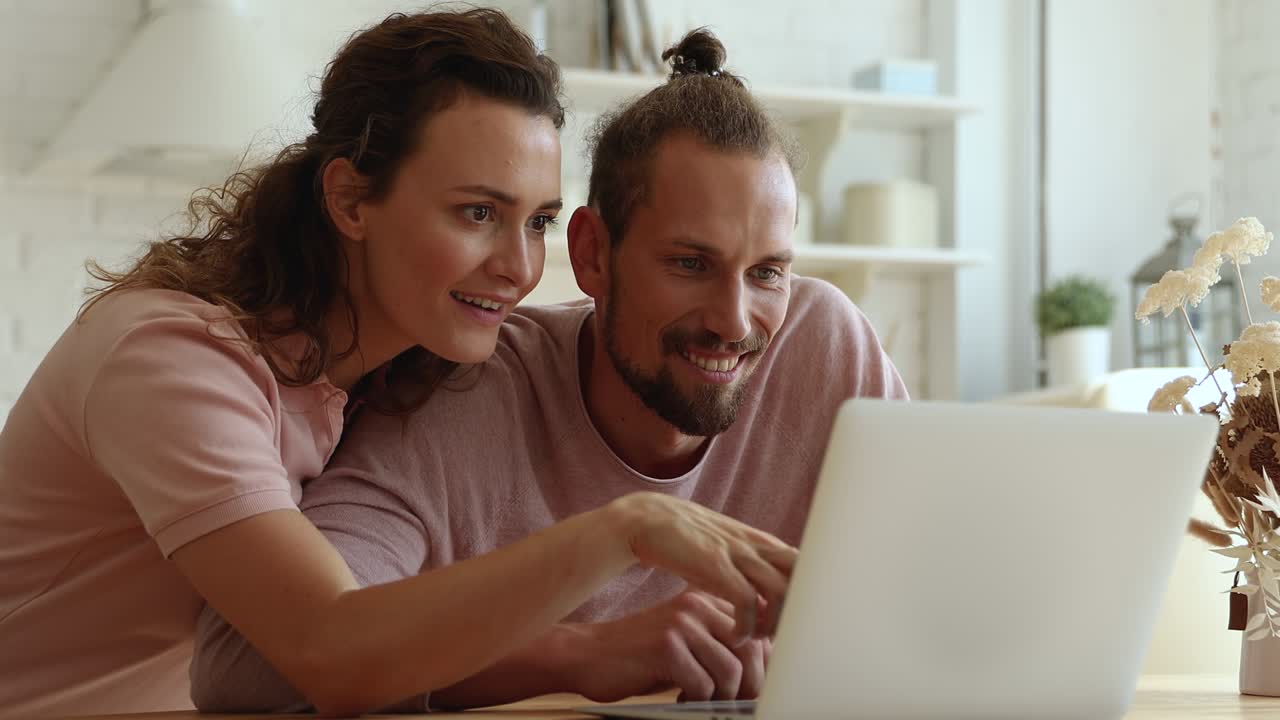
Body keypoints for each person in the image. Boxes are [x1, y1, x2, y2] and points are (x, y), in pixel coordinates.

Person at [0, 11, 796, 719]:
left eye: (537, 223)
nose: (518, 269)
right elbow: (328, 646)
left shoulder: (383, 373)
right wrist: (628, 531)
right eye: (478, 213)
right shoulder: (173, 360)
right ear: (350, 200)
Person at [191, 28, 908, 713]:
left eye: (767, 273)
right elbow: (255, 670)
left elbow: (940, 591)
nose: (735, 320)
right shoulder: (459, 392)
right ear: (593, 254)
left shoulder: (825, 345)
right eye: (690, 264)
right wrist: (581, 652)